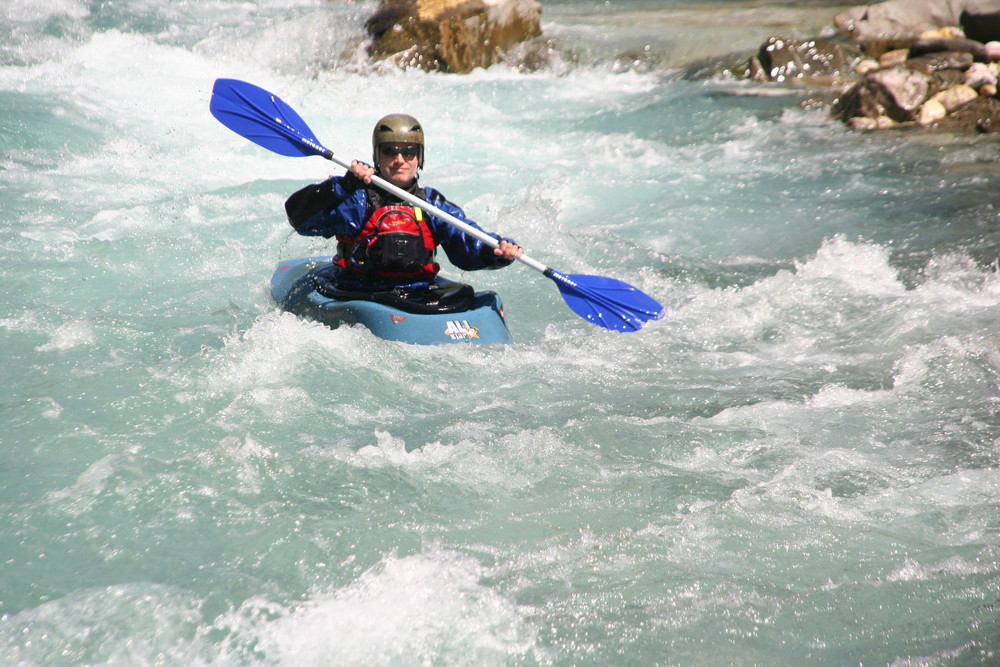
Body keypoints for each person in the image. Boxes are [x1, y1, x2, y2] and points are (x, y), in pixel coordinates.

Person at [284, 113, 522, 300]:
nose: (400, 160)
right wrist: (344, 185)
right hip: (358, 289)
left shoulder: (431, 204)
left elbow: (467, 241)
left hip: (417, 292)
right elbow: (300, 219)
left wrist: (496, 251)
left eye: (409, 152)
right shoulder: (357, 199)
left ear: (419, 158)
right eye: (390, 151)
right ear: (378, 156)